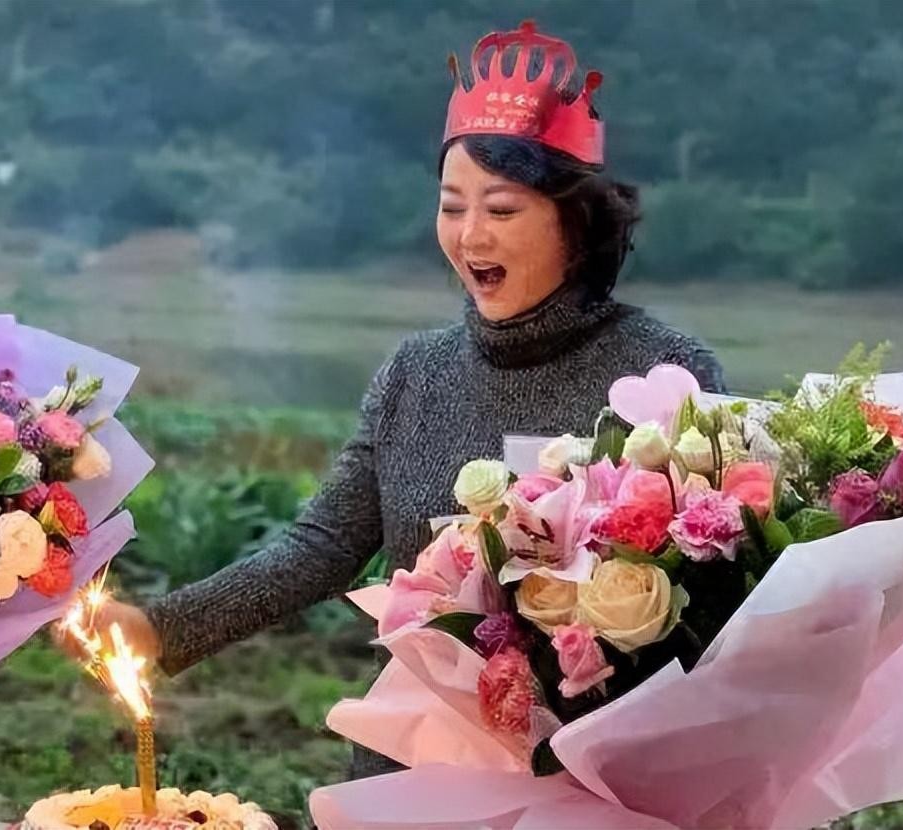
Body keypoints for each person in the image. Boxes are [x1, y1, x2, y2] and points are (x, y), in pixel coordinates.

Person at [58, 21, 727, 778]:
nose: (470, 236)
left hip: (591, 774)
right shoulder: (416, 373)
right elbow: (321, 548)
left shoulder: (665, 372)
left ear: (575, 223)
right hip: (414, 761)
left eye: (502, 210)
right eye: (452, 206)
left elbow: (716, 593)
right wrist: (158, 627)